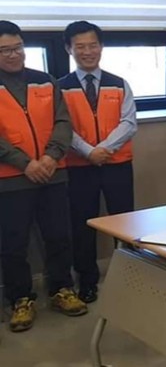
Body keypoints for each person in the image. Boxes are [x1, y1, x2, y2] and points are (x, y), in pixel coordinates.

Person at [0, 20, 87, 332]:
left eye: (18, 48)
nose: (14, 55)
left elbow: (63, 122)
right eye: (5, 50)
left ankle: (62, 289)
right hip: (10, 180)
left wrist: (51, 156)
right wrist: (25, 163)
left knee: (59, 236)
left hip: (53, 174)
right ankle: (21, 299)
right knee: (13, 244)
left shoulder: (45, 81)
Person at [57, 21, 137, 304]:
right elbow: (62, 127)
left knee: (124, 222)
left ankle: (131, 276)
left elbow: (129, 122)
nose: (88, 52)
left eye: (93, 45)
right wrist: (89, 152)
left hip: (117, 164)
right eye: (80, 46)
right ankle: (87, 281)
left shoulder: (119, 83)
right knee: (82, 225)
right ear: (69, 49)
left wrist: (104, 149)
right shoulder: (60, 87)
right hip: (79, 167)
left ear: (101, 46)